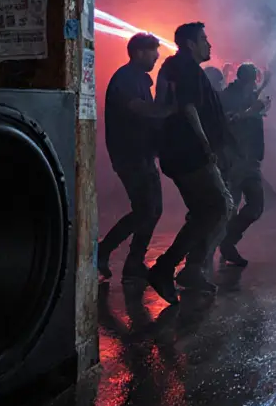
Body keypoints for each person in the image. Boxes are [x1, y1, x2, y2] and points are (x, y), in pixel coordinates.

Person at [145, 22, 234, 303]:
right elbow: (188, 107)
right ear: (190, 43)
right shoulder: (183, 66)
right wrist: (205, 144)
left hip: (182, 152)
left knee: (204, 211)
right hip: (190, 152)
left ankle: (190, 269)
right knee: (221, 206)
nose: (209, 44)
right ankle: (168, 267)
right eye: (204, 39)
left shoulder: (179, 66)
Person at [97, 33, 174, 281]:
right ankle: (108, 252)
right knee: (146, 209)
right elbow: (138, 108)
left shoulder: (140, 78)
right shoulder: (126, 78)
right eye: (153, 51)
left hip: (142, 154)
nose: (157, 57)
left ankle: (132, 261)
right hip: (129, 154)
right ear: (139, 52)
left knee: (152, 209)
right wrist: (169, 109)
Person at [213, 63, 272, 267]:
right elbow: (230, 119)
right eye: (254, 79)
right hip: (234, 159)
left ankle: (227, 241)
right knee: (231, 207)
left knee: (254, 206)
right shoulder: (228, 96)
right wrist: (252, 110)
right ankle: (210, 251)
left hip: (249, 159)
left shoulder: (248, 93)